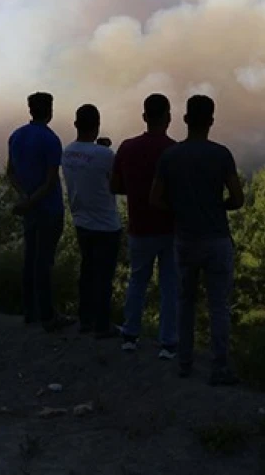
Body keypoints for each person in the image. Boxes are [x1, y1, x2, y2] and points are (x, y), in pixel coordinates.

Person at [150, 94, 244, 385]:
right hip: (216, 239)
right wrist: (219, 206)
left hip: (185, 240)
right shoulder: (221, 154)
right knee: (218, 306)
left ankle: (185, 363)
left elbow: (155, 200)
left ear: (186, 119)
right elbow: (238, 198)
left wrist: (180, 210)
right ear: (212, 121)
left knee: (185, 302)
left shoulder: (170, 156)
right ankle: (219, 368)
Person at [111, 93, 178, 359]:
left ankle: (130, 335)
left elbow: (114, 186)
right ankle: (168, 343)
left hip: (139, 227)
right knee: (170, 284)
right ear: (169, 117)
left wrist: (136, 191)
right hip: (170, 228)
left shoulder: (127, 148)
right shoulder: (174, 150)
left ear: (144, 117)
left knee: (137, 281)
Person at [7, 92, 74, 332]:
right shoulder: (50, 139)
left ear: (30, 110)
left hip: (30, 210)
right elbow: (50, 181)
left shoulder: (16, 136)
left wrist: (24, 197)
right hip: (48, 209)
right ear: (49, 110)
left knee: (30, 259)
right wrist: (31, 201)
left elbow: (10, 173)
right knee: (44, 262)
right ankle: (48, 316)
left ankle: (30, 312)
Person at [61, 104, 123, 339]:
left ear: (76, 124)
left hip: (81, 221)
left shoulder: (66, 152)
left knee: (87, 271)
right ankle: (102, 325)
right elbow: (116, 182)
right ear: (97, 126)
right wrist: (106, 150)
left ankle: (85, 320)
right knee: (104, 277)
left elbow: (87, 167)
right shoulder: (106, 155)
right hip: (106, 224)